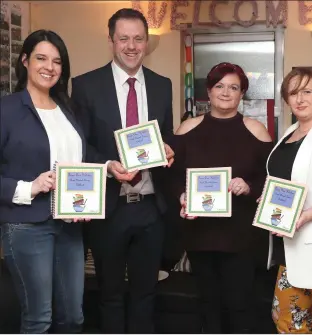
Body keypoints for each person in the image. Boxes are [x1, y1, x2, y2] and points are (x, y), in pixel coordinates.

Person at [71, 8, 174, 334]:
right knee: (110, 295)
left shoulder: (162, 85)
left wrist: (169, 149)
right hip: (109, 208)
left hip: (149, 208)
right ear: (111, 41)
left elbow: (165, 137)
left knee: (146, 293)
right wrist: (107, 166)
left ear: (146, 42)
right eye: (124, 38)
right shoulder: (86, 85)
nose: (132, 46)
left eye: (138, 38)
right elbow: (80, 145)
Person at [169, 62, 273, 333]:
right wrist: (181, 195)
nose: (226, 93)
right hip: (200, 235)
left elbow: (271, 179)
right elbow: (171, 176)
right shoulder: (186, 129)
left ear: (242, 94)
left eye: (234, 87)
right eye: (220, 86)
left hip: (242, 236)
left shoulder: (257, 130)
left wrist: (248, 186)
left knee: (240, 306)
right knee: (207, 305)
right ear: (209, 90)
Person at [0, 30, 86, 333]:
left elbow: (77, 165)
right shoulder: (6, 110)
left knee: (73, 317)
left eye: (57, 61)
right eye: (41, 58)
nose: (49, 67)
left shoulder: (68, 109)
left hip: (70, 226)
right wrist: (29, 187)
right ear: (24, 61)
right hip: (27, 226)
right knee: (39, 319)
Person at [267, 67, 312, 333]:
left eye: (307, 91)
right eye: (293, 92)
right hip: (286, 241)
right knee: (309, 320)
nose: (299, 99)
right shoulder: (290, 133)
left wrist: (306, 215)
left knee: (286, 318)